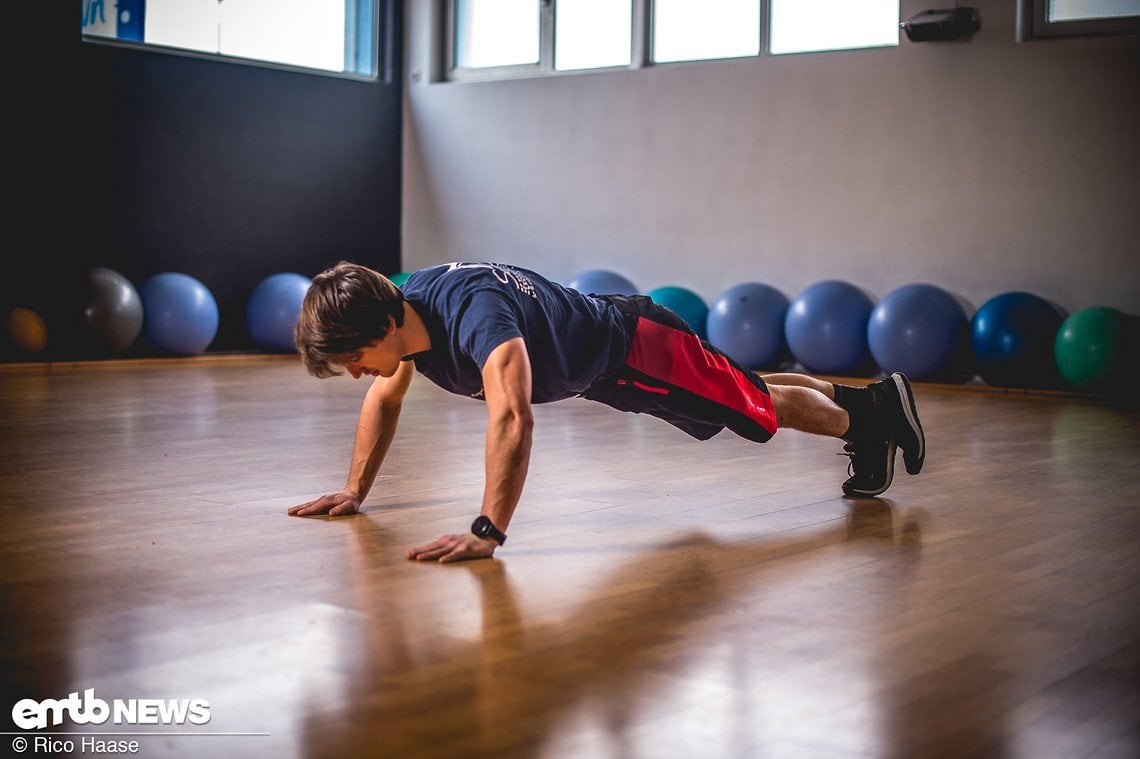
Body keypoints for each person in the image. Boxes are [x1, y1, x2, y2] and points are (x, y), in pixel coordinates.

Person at [288, 261, 925, 563]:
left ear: (383, 321)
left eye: (353, 355)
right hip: (612, 361)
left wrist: (487, 531)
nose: (353, 371)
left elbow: (512, 418)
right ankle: (869, 401)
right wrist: (353, 490)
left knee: (754, 405)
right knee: (743, 383)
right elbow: (383, 394)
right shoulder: (407, 315)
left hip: (636, 350)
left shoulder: (475, 318)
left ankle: (870, 424)